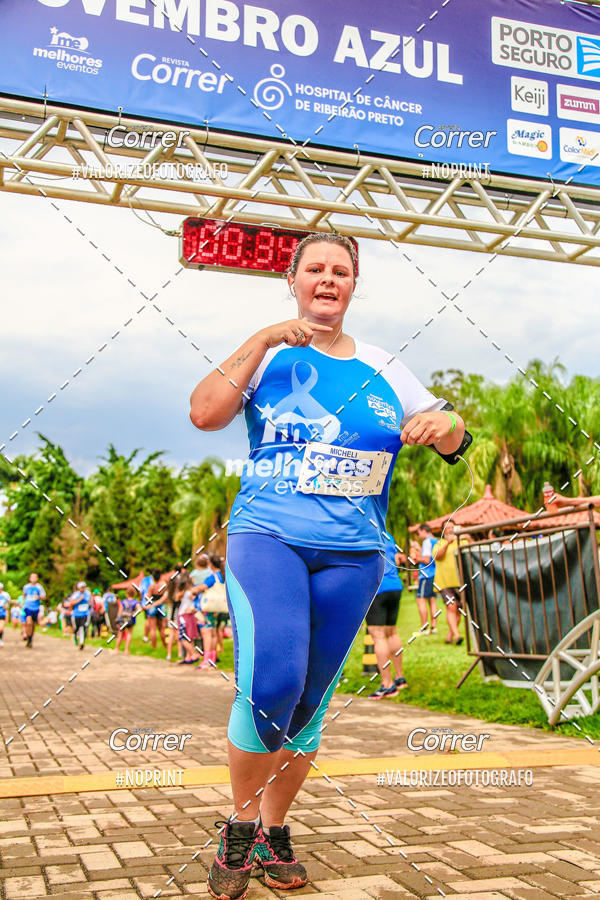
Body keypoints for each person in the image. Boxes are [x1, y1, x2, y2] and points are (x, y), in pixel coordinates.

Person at [189, 232, 469, 900]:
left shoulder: (383, 366)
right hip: (268, 538)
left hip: (356, 553)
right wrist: (260, 340)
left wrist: (444, 428)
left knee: (311, 699)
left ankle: (275, 831)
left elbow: (455, 432)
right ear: (293, 279)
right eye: (314, 268)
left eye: (340, 271)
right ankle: (239, 822)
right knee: (272, 681)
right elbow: (203, 413)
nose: (327, 280)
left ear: (352, 285)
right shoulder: (265, 357)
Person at [366, 537, 408, 698]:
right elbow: (396, 557)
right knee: (392, 632)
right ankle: (399, 678)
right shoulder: (388, 535)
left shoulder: (365, 530)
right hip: (395, 586)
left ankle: (387, 684)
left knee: (378, 636)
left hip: (378, 588)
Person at [432, 521, 464, 645]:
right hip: (444, 582)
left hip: (460, 581)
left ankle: (450, 635)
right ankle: (456, 635)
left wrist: (465, 535)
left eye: (452, 527)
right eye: (447, 527)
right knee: (451, 607)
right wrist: (448, 543)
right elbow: (438, 556)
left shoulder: (461, 541)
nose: (450, 529)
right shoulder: (439, 544)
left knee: (459, 611)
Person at [194, 554, 227, 671]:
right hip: (217, 608)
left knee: (206, 633)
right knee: (212, 632)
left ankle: (206, 661)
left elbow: (200, 588)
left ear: (211, 564)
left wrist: (193, 589)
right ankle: (212, 659)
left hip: (208, 608)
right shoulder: (223, 575)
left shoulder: (213, 577)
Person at [410, 524, 438, 634]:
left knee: (420, 600)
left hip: (426, 575)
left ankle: (424, 627)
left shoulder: (427, 541)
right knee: (432, 600)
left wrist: (416, 559)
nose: (419, 535)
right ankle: (434, 627)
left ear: (423, 531)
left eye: (419, 533)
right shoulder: (435, 540)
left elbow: (426, 560)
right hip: (434, 574)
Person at [177, 574, 202, 664]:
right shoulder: (188, 592)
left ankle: (193, 654)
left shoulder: (186, 592)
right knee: (189, 637)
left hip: (184, 615)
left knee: (182, 637)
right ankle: (188, 656)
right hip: (189, 616)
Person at [143, 569, 168, 650]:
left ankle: (154, 648)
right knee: (162, 628)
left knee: (153, 628)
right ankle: (165, 646)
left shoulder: (151, 586)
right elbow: (166, 597)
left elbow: (148, 598)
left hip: (152, 607)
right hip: (162, 606)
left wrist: (147, 598)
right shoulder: (164, 584)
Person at [114, 587, 142, 654]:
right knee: (129, 634)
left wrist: (117, 619)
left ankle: (116, 649)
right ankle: (126, 650)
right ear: (134, 595)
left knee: (120, 634)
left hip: (122, 620)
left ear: (127, 594)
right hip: (131, 620)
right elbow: (140, 610)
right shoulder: (135, 602)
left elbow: (119, 612)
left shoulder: (123, 602)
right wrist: (134, 613)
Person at [22, 573, 46, 649]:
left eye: (35, 577)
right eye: (32, 577)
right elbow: (24, 596)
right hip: (27, 607)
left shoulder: (39, 587)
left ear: (37, 579)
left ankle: (30, 638)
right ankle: (28, 639)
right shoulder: (26, 587)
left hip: (36, 608)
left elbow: (44, 597)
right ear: (30, 578)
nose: (33, 579)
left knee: (33, 624)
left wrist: (38, 597)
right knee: (29, 622)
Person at [66, 581, 92, 650]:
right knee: (77, 628)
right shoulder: (75, 594)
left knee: (82, 627)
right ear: (78, 588)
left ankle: (82, 642)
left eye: (84, 587)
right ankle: (75, 636)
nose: (83, 589)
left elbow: (90, 601)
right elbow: (71, 603)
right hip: (77, 614)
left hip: (85, 614)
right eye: (81, 587)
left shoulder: (88, 594)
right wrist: (79, 600)